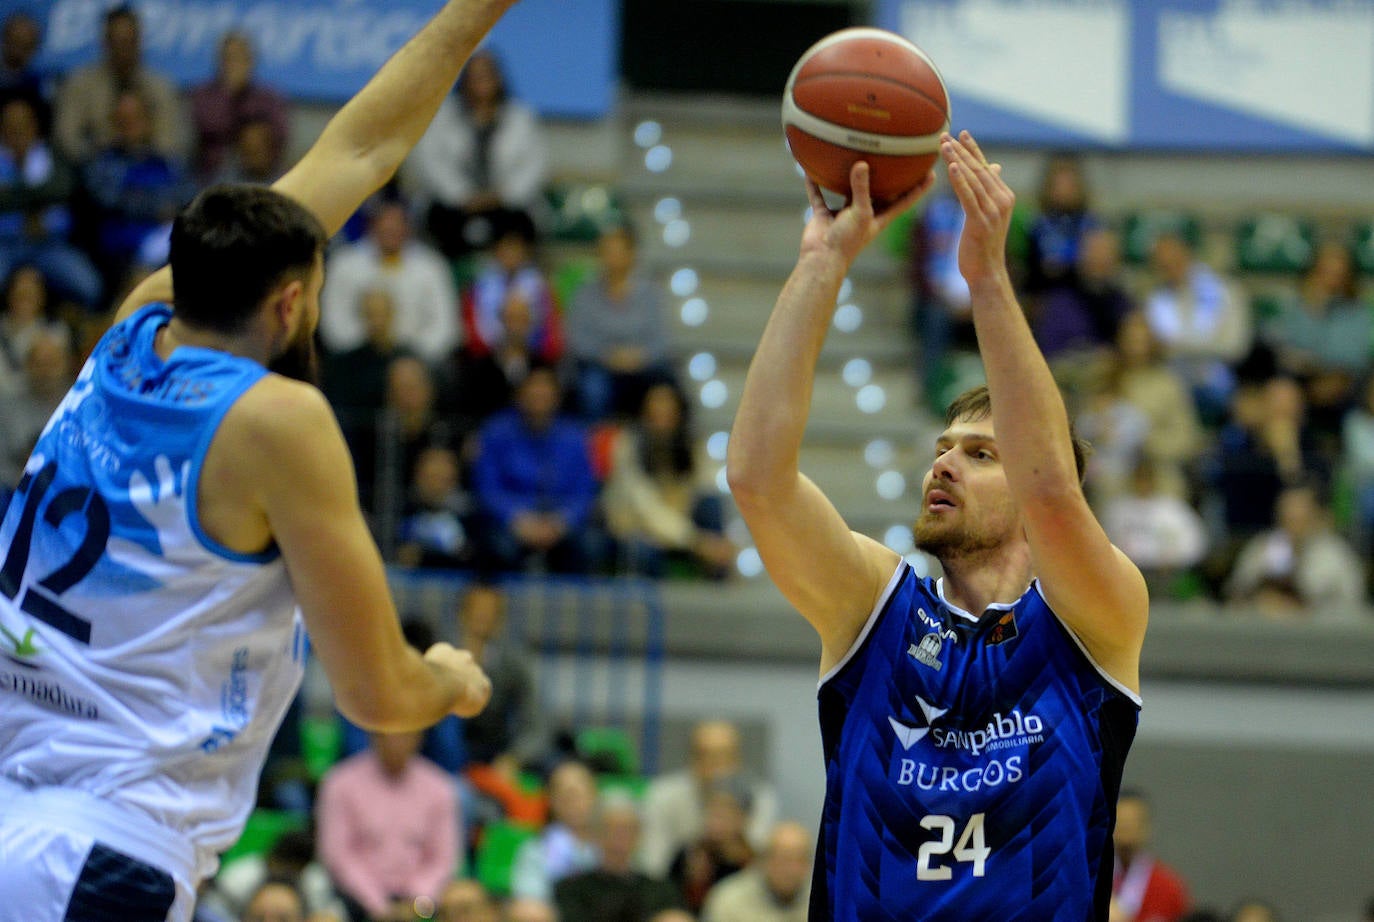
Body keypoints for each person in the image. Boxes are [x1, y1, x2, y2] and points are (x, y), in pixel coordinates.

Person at [0, 2, 524, 919]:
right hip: (98, 841)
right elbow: (377, 694)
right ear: (288, 306)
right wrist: (449, 675)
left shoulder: (134, 325)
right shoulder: (277, 419)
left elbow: (356, 153)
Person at [726, 136, 1148, 919]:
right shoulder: (874, 611)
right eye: (942, 450)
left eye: (981, 454)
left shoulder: (1097, 616)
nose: (944, 465)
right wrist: (823, 264)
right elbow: (756, 477)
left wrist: (986, 278)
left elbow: (1053, 488)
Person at [407, 48, 548, 259]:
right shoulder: (444, 115)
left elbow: (536, 164)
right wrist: (463, 195)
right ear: (464, 80)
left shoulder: (520, 117)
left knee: (520, 225)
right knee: (439, 222)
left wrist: (501, 195)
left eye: (486, 76)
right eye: (475, 77)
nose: (481, 83)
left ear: (498, 79)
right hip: (454, 204)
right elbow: (430, 162)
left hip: (504, 204)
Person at [316, 729, 460, 921]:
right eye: (388, 733)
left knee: (466, 902)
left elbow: (443, 859)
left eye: (404, 733)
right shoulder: (339, 783)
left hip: (421, 905)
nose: (396, 740)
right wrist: (378, 905)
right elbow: (338, 856)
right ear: (373, 734)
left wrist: (415, 901)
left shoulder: (440, 787)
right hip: (354, 901)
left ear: (419, 737)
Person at [470, 365, 600, 574]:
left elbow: (584, 491)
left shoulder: (576, 437)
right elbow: (487, 488)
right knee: (496, 547)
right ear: (519, 395)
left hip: (560, 523)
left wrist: (562, 522)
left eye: (545, 392)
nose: (539, 397)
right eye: (533, 391)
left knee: (590, 547)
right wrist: (517, 519)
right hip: (512, 522)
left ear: (557, 397)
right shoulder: (496, 431)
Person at [602, 382, 735, 579]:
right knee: (644, 549)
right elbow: (645, 508)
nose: (662, 421)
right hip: (637, 528)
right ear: (644, 414)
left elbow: (704, 485)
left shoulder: (690, 446)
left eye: (669, 414)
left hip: (680, 523)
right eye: (655, 415)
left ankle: (720, 587)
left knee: (711, 504)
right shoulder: (627, 445)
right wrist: (696, 540)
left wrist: (715, 542)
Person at [320, 198, 460, 365]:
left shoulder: (431, 265)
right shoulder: (344, 264)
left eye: (397, 223)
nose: (391, 229)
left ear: (408, 227)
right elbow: (335, 323)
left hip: (419, 361)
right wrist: (365, 352)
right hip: (358, 361)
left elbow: (444, 326)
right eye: (385, 223)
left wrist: (413, 357)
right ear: (372, 225)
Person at [0, 95, 103, 310]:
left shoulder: (54, 156)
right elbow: (52, 192)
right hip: (5, 244)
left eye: (23, 125)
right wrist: (41, 198)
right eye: (11, 126)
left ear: (34, 126)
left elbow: (65, 191)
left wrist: (12, 197)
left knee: (90, 287)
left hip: (49, 244)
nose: (17, 131)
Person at [640, 720, 778, 878]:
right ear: (691, 759)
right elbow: (653, 864)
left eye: (724, 756)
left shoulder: (759, 798)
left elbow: (760, 863)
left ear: (738, 760)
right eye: (705, 755)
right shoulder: (662, 796)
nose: (715, 766)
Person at [566, 222, 674, 420]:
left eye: (619, 251)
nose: (613, 258)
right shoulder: (585, 293)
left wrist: (638, 357)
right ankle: (596, 443)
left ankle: (658, 447)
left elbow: (661, 340)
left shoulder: (650, 293)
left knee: (665, 391)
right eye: (607, 251)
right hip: (598, 365)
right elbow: (578, 340)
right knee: (592, 389)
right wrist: (608, 356)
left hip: (642, 365)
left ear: (632, 254)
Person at [53, 4, 187, 163]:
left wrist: (145, 156)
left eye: (129, 41)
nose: (123, 49)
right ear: (105, 42)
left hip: (152, 173)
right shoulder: (80, 85)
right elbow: (66, 138)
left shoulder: (162, 87)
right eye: (117, 41)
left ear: (139, 41)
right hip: (94, 173)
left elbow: (177, 141)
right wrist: (101, 156)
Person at [1223, 482, 1365, 620]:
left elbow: (1351, 607)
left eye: (1300, 516)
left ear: (1317, 514)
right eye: (1286, 515)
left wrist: (1296, 606)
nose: (1292, 522)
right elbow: (1236, 594)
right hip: (1262, 635)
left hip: (1321, 636)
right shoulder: (1262, 547)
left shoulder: (1336, 554)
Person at [553, 794, 683, 922]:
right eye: (612, 829)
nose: (620, 838)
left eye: (628, 829)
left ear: (639, 836)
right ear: (595, 834)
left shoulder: (660, 891)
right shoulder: (571, 891)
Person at [189, 31, 290, 181]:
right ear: (219, 61)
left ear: (251, 61)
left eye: (240, 58)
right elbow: (211, 127)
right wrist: (232, 95)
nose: (235, 64)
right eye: (229, 58)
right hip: (211, 173)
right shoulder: (204, 95)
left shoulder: (268, 98)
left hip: (263, 174)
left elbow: (280, 136)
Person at [510, 759, 600, 902]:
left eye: (578, 794)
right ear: (551, 801)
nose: (573, 803)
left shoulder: (612, 846)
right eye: (565, 796)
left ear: (594, 795)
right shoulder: (535, 850)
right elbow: (530, 906)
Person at [699, 821, 812, 922]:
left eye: (799, 860)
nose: (790, 869)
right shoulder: (728, 901)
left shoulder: (824, 903)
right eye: (783, 859)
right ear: (764, 860)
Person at [1112, 790, 1191, 922]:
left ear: (1147, 827)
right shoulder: (1091, 882)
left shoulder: (1169, 887)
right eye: (1121, 823)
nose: (1126, 831)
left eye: (1133, 823)